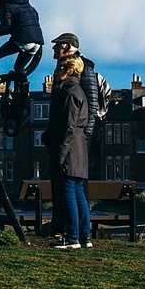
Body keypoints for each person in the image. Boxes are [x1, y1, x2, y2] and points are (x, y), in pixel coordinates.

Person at [47, 32, 102, 237]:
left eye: (57, 45)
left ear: (68, 46)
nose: (54, 49)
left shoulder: (83, 70)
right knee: (68, 187)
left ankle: (72, 232)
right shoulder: (67, 74)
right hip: (69, 137)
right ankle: (69, 228)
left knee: (71, 188)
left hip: (72, 139)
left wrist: (84, 136)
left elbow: (91, 104)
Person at [44, 55, 90, 249]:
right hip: (79, 148)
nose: (56, 71)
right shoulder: (77, 91)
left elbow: (68, 127)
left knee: (68, 191)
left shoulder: (69, 93)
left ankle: (73, 237)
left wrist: (60, 156)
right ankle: (84, 236)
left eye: (61, 68)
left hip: (70, 149)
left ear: (70, 70)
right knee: (77, 192)